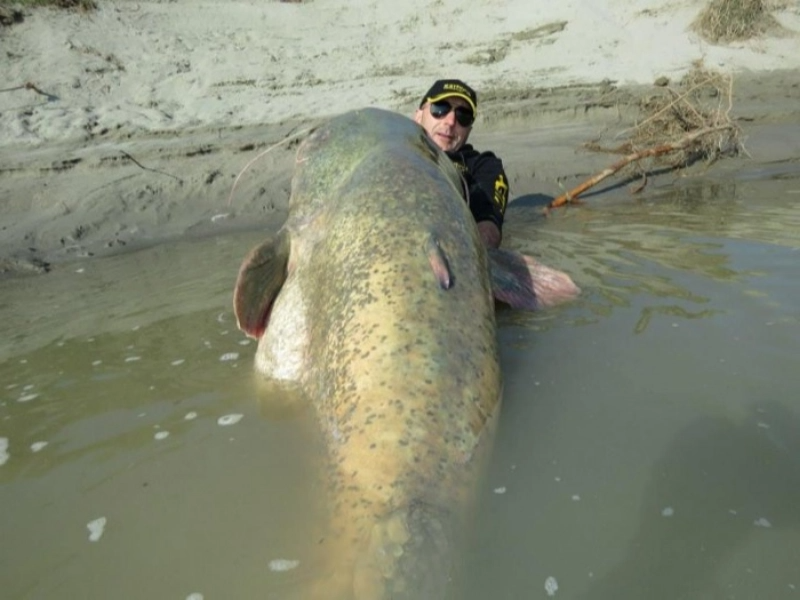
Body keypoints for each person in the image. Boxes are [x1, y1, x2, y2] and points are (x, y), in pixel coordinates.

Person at [414, 79, 509, 249]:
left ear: (469, 130)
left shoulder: (483, 166)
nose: (450, 122)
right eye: (440, 109)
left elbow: (489, 229)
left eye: (463, 116)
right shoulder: (392, 154)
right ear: (418, 116)